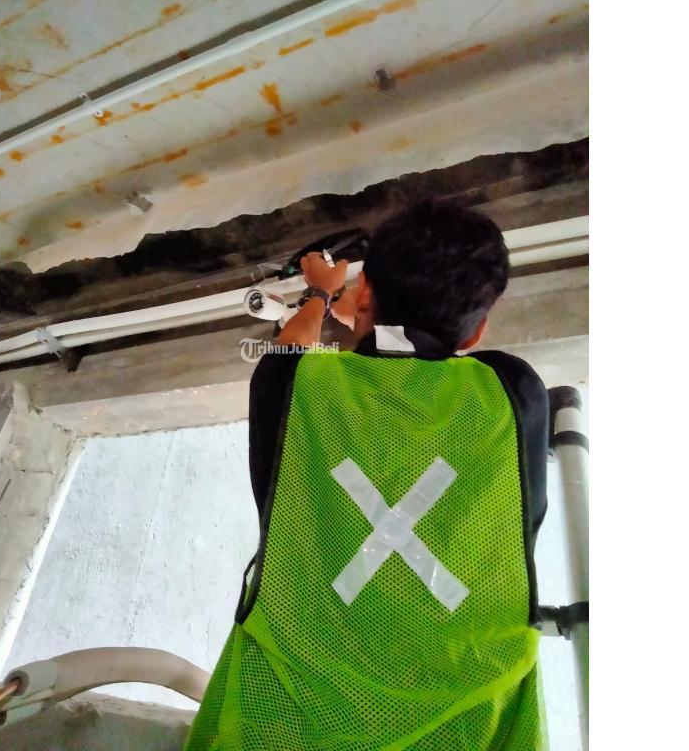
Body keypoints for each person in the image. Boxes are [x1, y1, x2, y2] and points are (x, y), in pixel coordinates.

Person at [184, 201, 549, 750]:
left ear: (362, 295)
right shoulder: (513, 393)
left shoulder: (301, 386)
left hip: (280, 726)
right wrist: (363, 313)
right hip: (475, 728)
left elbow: (288, 351)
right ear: (476, 333)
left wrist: (318, 293)